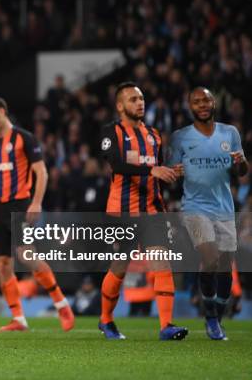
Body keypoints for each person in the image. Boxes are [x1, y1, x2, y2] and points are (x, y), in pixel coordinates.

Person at [0, 95, 75, 332]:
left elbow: (42, 173)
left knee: (27, 255)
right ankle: (19, 318)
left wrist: (36, 203)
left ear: (1, 112)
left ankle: (61, 304)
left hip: (19, 203)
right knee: (2, 263)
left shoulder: (24, 139)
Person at [98, 82, 188, 340]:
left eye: (141, 98)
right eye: (132, 99)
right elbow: (116, 163)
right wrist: (153, 170)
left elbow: (155, 170)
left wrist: (169, 172)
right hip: (121, 211)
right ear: (120, 106)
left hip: (152, 210)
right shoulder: (110, 132)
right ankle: (106, 320)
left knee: (162, 263)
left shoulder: (154, 135)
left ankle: (166, 326)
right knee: (120, 267)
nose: (139, 103)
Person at [168, 87, 248, 340]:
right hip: (194, 208)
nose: (201, 104)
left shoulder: (230, 133)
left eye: (206, 100)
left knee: (225, 265)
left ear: (213, 103)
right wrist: (174, 172)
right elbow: (170, 172)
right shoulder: (180, 137)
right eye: (196, 101)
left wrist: (240, 163)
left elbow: (241, 171)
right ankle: (210, 317)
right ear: (189, 106)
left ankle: (218, 316)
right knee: (210, 258)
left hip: (224, 208)